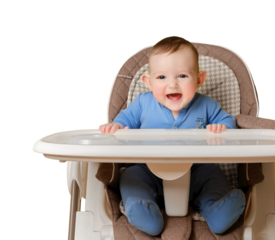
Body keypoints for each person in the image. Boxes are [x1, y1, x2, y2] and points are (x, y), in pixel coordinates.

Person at [98, 35, 245, 236]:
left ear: (199, 79)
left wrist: (222, 128)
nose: (173, 85)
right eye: (161, 77)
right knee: (131, 176)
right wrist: (115, 128)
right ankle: (143, 211)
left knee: (213, 176)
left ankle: (219, 211)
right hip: (148, 168)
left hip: (197, 169)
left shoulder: (207, 105)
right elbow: (123, 121)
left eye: (182, 76)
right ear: (148, 82)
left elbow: (228, 122)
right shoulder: (142, 103)